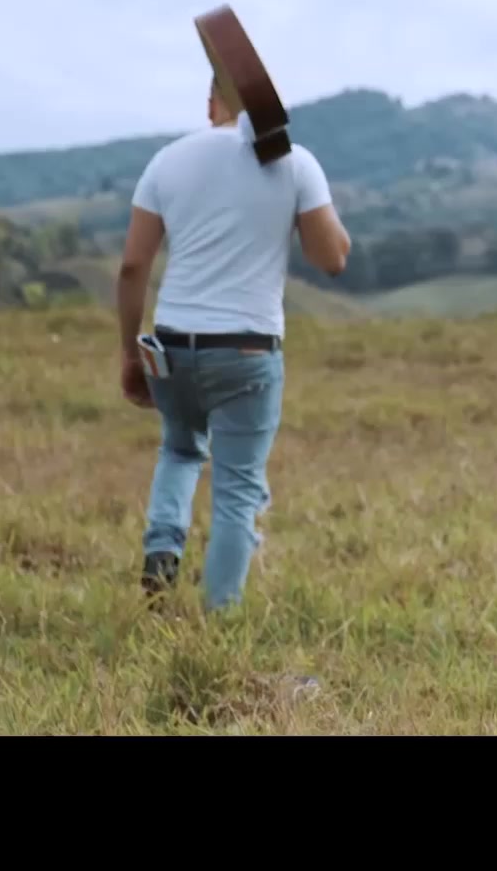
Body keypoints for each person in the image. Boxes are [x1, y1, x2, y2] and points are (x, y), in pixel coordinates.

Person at [116, 78, 350, 612]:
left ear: (211, 104)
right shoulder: (295, 162)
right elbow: (333, 258)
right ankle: (218, 619)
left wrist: (130, 352)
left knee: (179, 448)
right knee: (238, 490)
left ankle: (162, 548)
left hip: (172, 346)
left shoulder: (167, 161)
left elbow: (132, 266)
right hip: (247, 350)